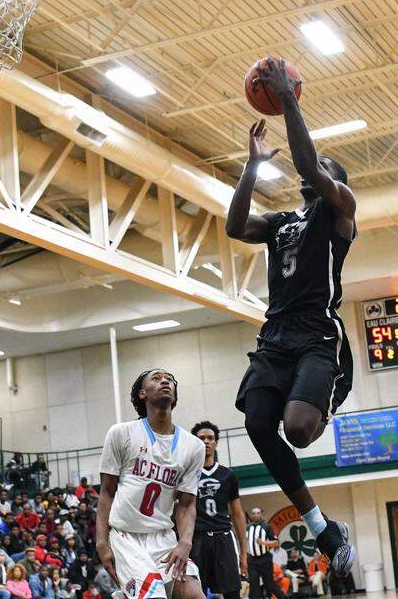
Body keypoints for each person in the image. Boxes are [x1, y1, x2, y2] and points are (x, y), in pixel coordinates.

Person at [226, 58, 359, 579]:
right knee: (259, 425)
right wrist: (251, 167)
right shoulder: (282, 220)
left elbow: (308, 166)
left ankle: (324, 395)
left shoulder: (341, 210)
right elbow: (236, 226)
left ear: (335, 183)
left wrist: (289, 102)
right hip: (275, 334)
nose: (315, 169)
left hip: (317, 334)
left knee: (298, 429)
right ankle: (324, 527)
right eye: (316, 166)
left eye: (326, 167)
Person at [94, 369, 206, 599]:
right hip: (126, 538)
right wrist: (102, 542)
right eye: (156, 378)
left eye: (170, 380)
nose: (165, 381)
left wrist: (185, 542)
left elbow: (186, 505)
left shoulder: (194, 446)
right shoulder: (121, 433)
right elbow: (106, 492)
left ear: (174, 396)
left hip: (163, 537)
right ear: (142, 394)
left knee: (194, 594)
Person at [189, 421, 247, 599]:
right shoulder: (188, 474)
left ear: (216, 443)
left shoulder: (228, 475)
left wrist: (244, 552)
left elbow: (237, 514)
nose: (206, 441)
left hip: (223, 537)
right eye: (201, 438)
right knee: (195, 592)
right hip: (197, 538)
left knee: (232, 593)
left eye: (210, 438)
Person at [245, 508, 286, 599]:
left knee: (269, 584)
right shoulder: (248, 527)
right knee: (253, 585)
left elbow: (276, 543)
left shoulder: (266, 527)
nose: (256, 515)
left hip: (264, 559)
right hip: (252, 560)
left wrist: (263, 542)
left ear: (261, 515)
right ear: (252, 515)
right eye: (254, 513)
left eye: (258, 513)